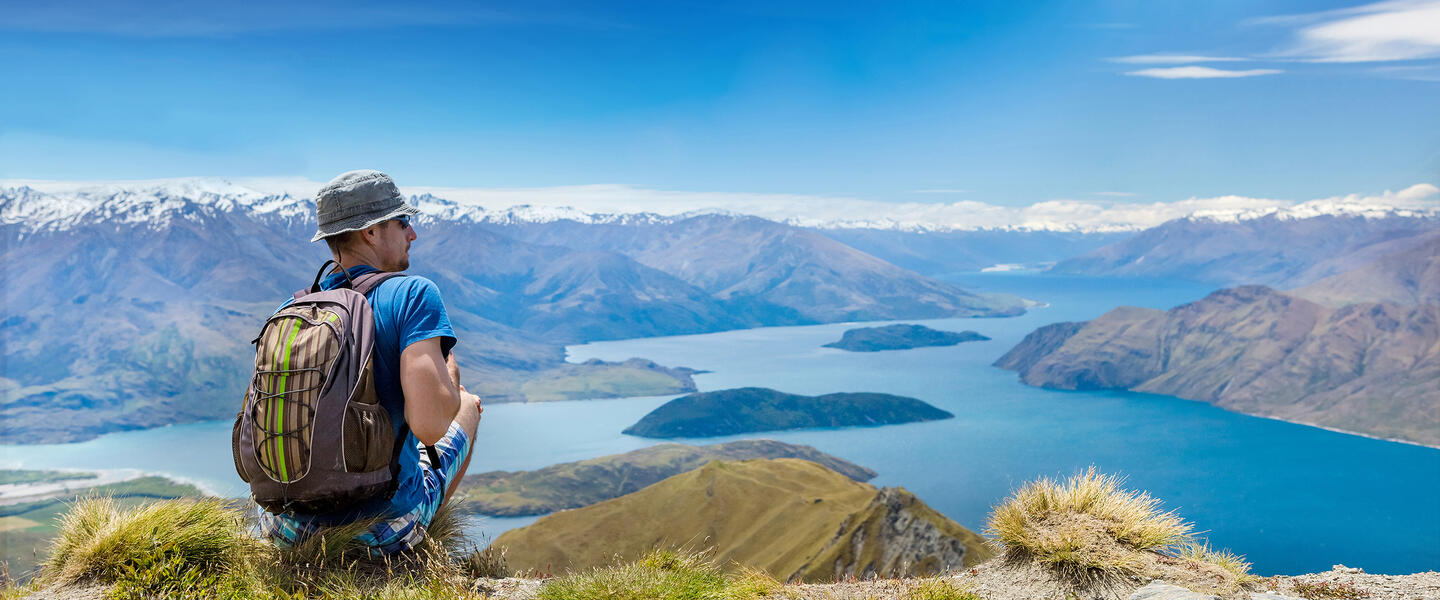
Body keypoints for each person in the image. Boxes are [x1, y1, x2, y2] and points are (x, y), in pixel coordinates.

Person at [256, 169, 483, 553]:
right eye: (403, 221)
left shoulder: (290, 310)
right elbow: (430, 428)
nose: (413, 233)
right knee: (469, 405)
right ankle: (423, 542)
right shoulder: (413, 295)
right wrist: (451, 378)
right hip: (383, 531)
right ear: (372, 232)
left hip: (285, 529)